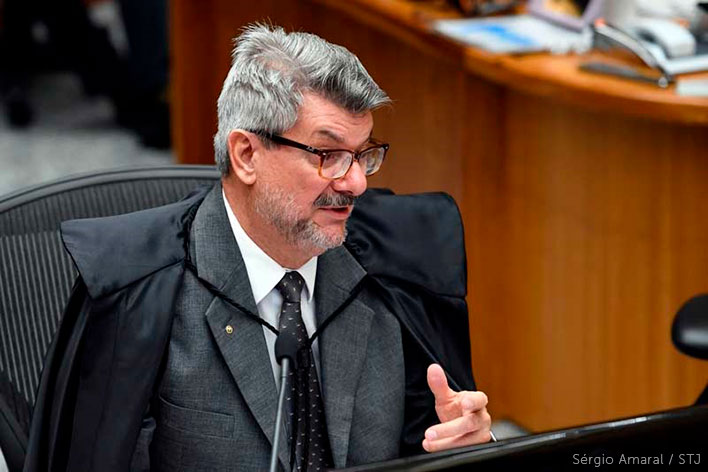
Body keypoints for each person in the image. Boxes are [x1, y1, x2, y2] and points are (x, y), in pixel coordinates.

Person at [24, 24, 491, 471]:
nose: (356, 183)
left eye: (363, 154)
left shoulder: (395, 273)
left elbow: (432, 442)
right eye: (328, 155)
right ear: (246, 155)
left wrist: (467, 451)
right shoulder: (143, 295)